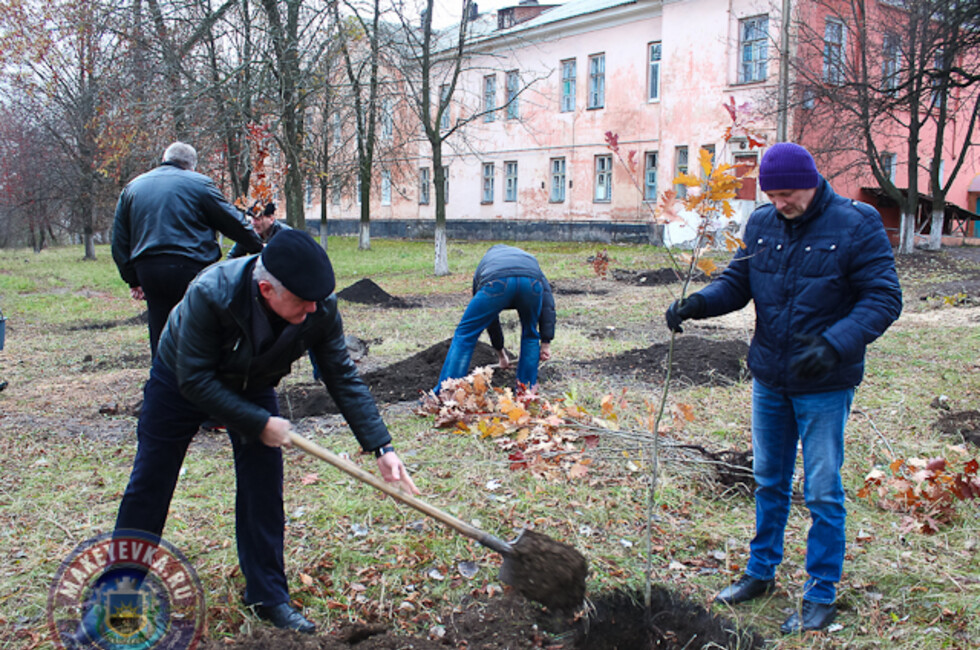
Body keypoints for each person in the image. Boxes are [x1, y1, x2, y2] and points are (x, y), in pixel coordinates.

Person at [107, 229, 418, 635]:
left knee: (263, 487)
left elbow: (341, 375)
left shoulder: (319, 306)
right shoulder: (211, 292)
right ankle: (121, 595)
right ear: (267, 288)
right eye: (303, 301)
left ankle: (268, 596)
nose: (313, 308)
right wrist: (259, 423)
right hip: (181, 380)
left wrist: (382, 446)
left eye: (317, 300)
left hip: (253, 381)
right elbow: (195, 381)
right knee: (151, 482)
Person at [664, 142, 902, 634]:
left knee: (821, 491)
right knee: (769, 479)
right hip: (770, 377)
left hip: (825, 383)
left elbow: (884, 297)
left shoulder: (857, 224)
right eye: (771, 195)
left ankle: (820, 591)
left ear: (811, 181)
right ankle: (761, 572)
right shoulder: (762, 223)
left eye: (787, 193)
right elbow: (738, 282)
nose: (779, 203)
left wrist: (835, 344)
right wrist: (698, 304)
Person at [111, 142, 263, 359]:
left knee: (159, 326)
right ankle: (197, 376)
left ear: (164, 159)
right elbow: (231, 221)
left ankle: (162, 381)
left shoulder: (133, 187)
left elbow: (120, 239)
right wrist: (258, 247)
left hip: (149, 268)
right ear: (192, 165)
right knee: (197, 324)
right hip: (190, 265)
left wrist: (132, 278)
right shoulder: (200, 184)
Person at [434, 244, 555, 394]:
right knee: (530, 335)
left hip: (496, 283)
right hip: (531, 283)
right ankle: (526, 393)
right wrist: (545, 343)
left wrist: (500, 353)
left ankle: (447, 392)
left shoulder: (486, 265)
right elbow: (548, 305)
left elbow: (490, 319)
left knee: (465, 334)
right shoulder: (528, 261)